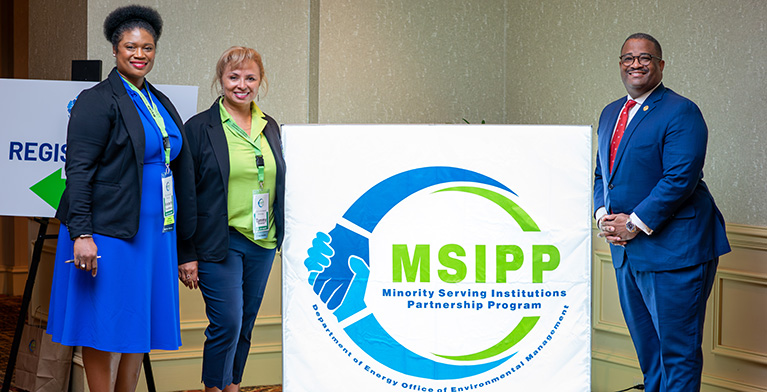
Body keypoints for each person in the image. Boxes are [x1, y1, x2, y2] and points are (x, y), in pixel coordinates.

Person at [47, 5, 195, 392]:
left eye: (148, 47)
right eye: (131, 47)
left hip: (154, 233)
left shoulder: (156, 100)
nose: (140, 54)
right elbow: (78, 171)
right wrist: (82, 233)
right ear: (115, 50)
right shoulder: (97, 100)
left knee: (138, 321)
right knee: (104, 322)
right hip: (111, 230)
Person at [593, 33, 730, 391]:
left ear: (661, 65)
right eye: (628, 58)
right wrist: (603, 215)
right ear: (620, 64)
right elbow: (601, 174)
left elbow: (680, 178)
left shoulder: (681, 110)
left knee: (677, 353)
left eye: (645, 58)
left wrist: (633, 224)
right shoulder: (611, 113)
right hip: (627, 254)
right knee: (649, 353)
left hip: (675, 251)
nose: (636, 64)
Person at [180, 46, 286, 392]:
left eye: (250, 78)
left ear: (261, 82)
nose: (242, 85)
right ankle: (214, 387)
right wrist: (186, 253)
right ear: (221, 80)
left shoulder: (270, 127)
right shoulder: (199, 128)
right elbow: (185, 194)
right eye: (234, 77)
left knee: (245, 323)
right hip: (218, 241)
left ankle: (232, 385)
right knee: (226, 321)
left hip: (263, 240)